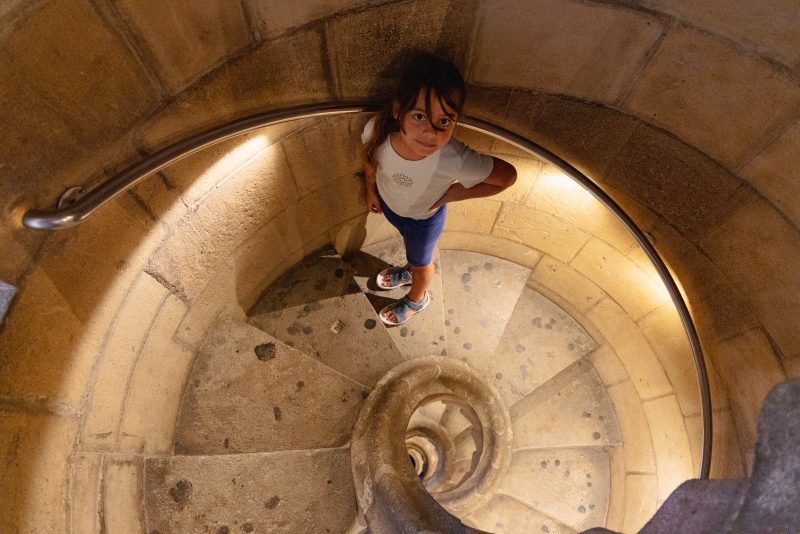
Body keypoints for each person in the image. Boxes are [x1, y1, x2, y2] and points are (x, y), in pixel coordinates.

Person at [361, 53, 516, 326]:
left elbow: (506, 177)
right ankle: (409, 270)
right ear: (398, 111)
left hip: (423, 221)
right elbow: (370, 159)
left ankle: (417, 298)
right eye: (419, 116)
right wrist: (371, 189)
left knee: (422, 263)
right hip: (391, 207)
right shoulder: (377, 131)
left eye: (444, 121)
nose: (430, 133)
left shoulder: (452, 159)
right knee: (411, 253)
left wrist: (451, 194)